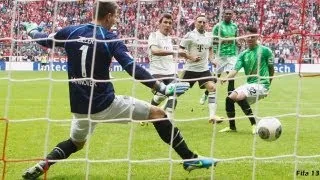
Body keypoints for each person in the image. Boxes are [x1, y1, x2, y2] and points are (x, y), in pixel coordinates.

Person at [21, 2, 217, 179]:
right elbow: (132, 67)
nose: (115, 21)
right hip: (106, 103)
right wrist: (162, 87)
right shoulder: (109, 38)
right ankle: (190, 158)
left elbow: (44, 39)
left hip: (80, 108)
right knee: (159, 114)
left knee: (76, 143)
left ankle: (42, 165)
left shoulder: (72, 31)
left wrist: (32, 30)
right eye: (115, 17)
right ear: (108, 16)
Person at [219, 26, 275, 134]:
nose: (250, 39)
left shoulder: (265, 51)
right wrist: (226, 78)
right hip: (250, 84)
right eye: (248, 37)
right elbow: (235, 70)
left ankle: (254, 124)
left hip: (262, 84)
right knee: (230, 98)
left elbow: (271, 69)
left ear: (256, 37)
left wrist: (268, 86)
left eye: (252, 37)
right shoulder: (243, 55)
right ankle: (232, 127)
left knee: (240, 97)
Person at [179, 14, 223, 123]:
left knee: (212, 88)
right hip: (190, 69)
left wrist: (212, 59)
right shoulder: (189, 35)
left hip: (203, 69)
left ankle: (212, 116)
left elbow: (210, 49)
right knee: (177, 91)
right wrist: (190, 57)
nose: (202, 24)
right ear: (195, 22)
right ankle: (162, 110)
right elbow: (180, 50)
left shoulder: (209, 36)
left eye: (204, 22)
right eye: (200, 22)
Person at [145, 13, 185, 123]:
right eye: (165, 22)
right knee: (160, 96)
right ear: (159, 24)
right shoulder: (154, 35)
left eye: (170, 23)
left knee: (174, 94)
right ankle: (149, 112)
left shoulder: (169, 39)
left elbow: (171, 55)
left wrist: (186, 55)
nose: (167, 25)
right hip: (157, 72)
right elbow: (155, 51)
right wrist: (174, 51)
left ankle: (170, 121)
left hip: (171, 72)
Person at [200, 9, 238, 106]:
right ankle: (205, 94)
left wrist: (237, 42)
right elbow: (214, 41)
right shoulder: (218, 26)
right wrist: (223, 41)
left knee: (231, 76)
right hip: (220, 55)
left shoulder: (234, 26)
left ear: (232, 15)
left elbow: (236, 38)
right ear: (223, 15)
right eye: (226, 14)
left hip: (232, 55)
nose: (228, 15)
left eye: (230, 14)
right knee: (216, 78)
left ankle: (230, 99)